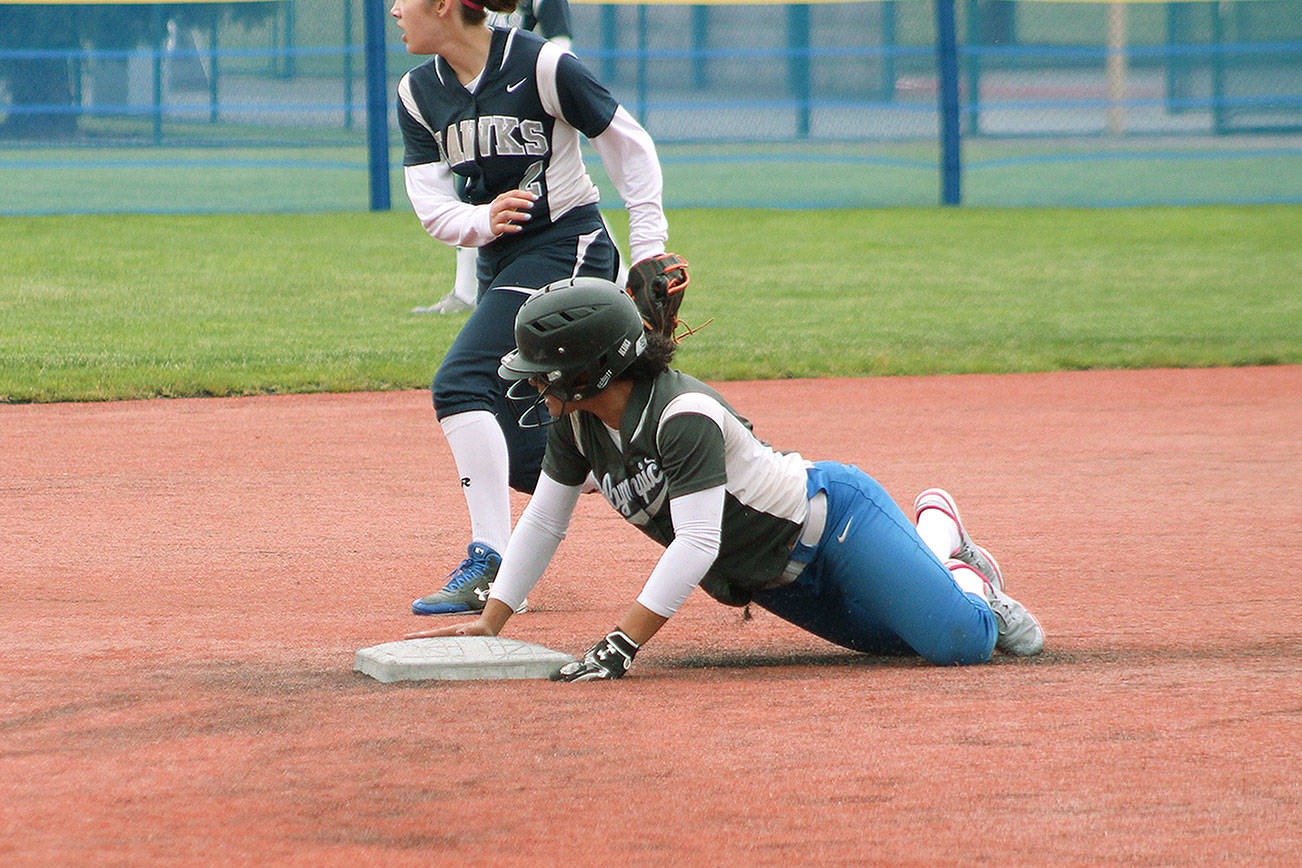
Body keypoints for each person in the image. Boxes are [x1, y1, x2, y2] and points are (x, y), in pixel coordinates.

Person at [407, 278, 1045, 679]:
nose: (533, 383)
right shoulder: (579, 427)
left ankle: (957, 557)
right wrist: (493, 621)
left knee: (962, 640)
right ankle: (938, 553)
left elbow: (697, 543)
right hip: (773, 581)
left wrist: (622, 642)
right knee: (903, 647)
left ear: (592, 372)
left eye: (545, 371)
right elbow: (546, 521)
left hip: (837, 525)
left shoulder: (682, 415)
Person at [390, 0, 683, 615]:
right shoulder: (418, 91)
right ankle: (668, 469)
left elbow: (628, 144)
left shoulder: (544, 64)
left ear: (444, 6)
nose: (394, 9)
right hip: (504, 262)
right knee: (530, 456)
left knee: (461, 384)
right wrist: (479, 219)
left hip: (567, 249)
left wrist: (649, 250)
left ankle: (490, 562)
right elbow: (431, 204)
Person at [411, 0, 577, 316]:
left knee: (561, 197)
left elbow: (560, 43)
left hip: (529, 95)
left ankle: (616, 280)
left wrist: (549, 82)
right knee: (476, 187)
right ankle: (464, 292)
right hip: (482, 90)